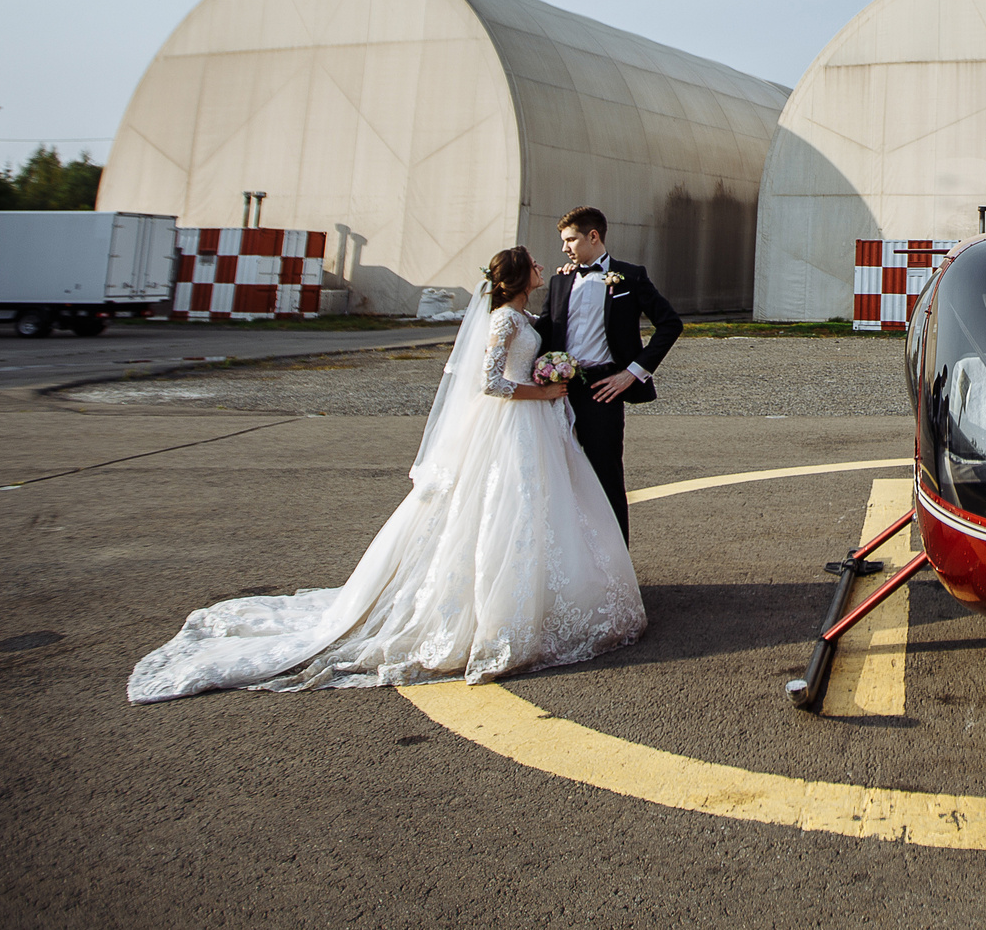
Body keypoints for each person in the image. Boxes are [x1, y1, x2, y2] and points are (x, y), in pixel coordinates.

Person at [125, 246, 644, 702]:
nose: (542, 267)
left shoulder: (521, 318)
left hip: (530, 425)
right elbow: (490, 382)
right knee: (504, 509)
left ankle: (543, 598)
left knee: (535, 510)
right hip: (511, 425)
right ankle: (502, 609)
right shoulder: (505, 321)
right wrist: (542, 390)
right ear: (515, 278)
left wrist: (547, 379)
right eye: (532, 264)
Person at [538, 206, 682, 544]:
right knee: (559, 477)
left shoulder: (630, 276)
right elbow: (545, 332)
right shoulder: (561, 280)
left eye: (570, 239)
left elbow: (671, 324)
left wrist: (631, 374)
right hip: (558, 393)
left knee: (606, 478)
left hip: (604, 392)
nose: (565, 248)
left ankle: (618, 570)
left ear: (593, 236)